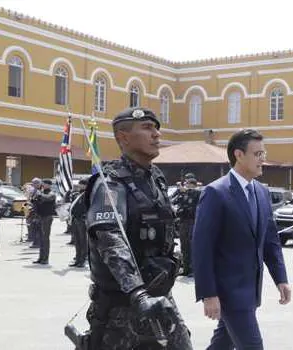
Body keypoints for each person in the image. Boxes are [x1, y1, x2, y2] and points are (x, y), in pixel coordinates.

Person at [84, 107, 192, 349]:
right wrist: (138, 293)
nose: (156, 135)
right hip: (123, 306)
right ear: (123, 137)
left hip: (160, 297)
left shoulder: (156, 178)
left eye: (156, 128)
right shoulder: (110, 183)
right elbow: (110, 239)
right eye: (147, 127)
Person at [192, 129, 290, 350]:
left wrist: (280, 278)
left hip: (251, 289)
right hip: (228, 292)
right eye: (257, 154)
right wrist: (208, 294)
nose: (263, 159)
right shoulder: (215, 193)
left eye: (263, 153)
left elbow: (270, 241)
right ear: (239, 155)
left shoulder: (261, 192)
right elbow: (202, 248)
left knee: (221, 344)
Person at [172, 177, 201, 277]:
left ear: (193, 185)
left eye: (188, 184)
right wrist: (179, 192)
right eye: (186, 184)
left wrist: (186, 190)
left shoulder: (197, 193)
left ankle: (194, 269)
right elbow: (173, 201)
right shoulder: (183, 194)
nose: (186, 185)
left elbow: (196, 193)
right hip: (183, 222)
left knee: (192, 245)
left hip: (193, 222)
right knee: (184, 246)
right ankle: (186, 269)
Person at [31, 179, 56, 264]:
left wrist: (39, 194)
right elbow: (34, 201)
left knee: (45, 239)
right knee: (41, 239)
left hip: (47, 218)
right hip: (40, 217)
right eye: (43, 184)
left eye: (44, 184)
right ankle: (41, 258)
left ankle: (45, 258)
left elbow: (47, 198)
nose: (43, 185)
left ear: (49, 185)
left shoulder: (51, 193)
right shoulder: (41, 193)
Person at [69, 178, 89, 268]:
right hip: (75, 219)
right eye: (80, 184)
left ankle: (83, 260)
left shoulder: (88, 194)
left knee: (83, 241)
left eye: (82, 184)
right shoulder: (77, 194)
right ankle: (77, 259)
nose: (80, 185)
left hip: (82, 220)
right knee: (77, 241)